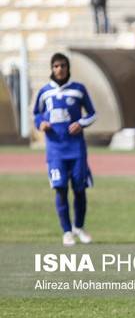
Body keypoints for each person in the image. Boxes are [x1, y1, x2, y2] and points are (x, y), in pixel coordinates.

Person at [33, 53, 97, 246]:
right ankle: (67, 232)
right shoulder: (45, 92)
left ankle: (79, 227)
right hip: (55, 151)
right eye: (56, 66)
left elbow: (92, 114)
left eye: (63, 66)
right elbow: (36, 114)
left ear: (68, 68)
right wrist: (40, 123)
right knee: (60, 190)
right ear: (51, 69)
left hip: (76, 149)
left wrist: (81, 123)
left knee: (80, 189)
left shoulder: (78, 90)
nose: (59, 69)